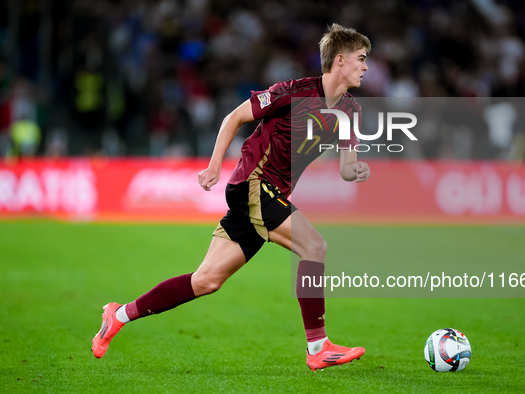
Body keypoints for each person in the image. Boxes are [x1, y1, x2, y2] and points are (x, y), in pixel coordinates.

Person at [92, 23, 371, 372]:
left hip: (267, 194)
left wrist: (354, 170)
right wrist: (213, 167)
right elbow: (234, 117)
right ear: (340, 61)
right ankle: (318, 346)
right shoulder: (293, 92)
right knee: (314, 247)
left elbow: (347, 166)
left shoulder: (350, 111)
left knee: (206, 280)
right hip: (253, 182)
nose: (366, 67)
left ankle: (118, 315)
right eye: (361, 59)